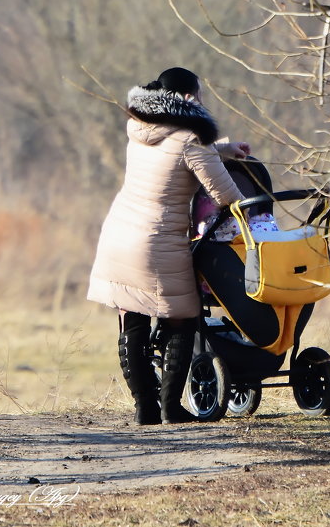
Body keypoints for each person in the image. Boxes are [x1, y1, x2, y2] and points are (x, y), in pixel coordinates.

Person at [87, 67, 249, 425]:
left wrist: (222, 148)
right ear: (190, 98)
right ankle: (171, 408)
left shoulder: (140, 127)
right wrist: (252, 214)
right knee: (183, 315)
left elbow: (168, 153)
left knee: (133, 316)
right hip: (156, 240)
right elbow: (225, 195)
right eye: (201, 95)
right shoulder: (192, 138)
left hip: (118, 233)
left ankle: (144, 407)